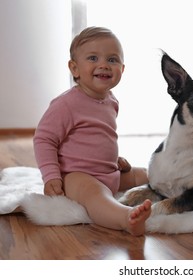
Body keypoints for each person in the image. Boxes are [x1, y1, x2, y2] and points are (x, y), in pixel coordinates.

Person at [33, 27, 151, 236]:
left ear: (122, 69)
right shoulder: (66, 104)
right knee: (95, 196)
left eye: (112, 60)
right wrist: (51, 176)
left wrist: (115, 159)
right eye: (93, 58)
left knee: (144, 174)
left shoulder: (111, 101)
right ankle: (125, 218)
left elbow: (99, 138)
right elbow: (44, 139)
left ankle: (175, 180)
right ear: (75, 68)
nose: (104, 65)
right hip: (76, 175)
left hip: (108, 172)